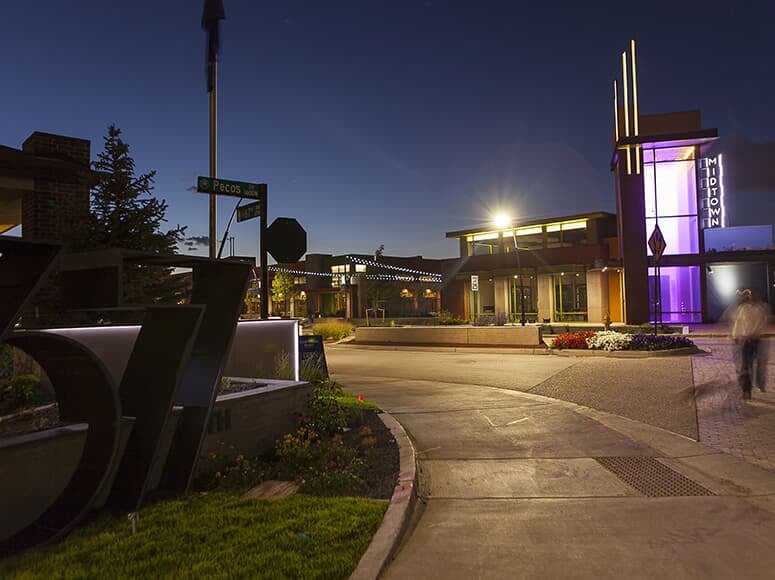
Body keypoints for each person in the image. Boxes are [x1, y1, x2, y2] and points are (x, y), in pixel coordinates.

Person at [725, 288, 771, 400]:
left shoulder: (760, 308)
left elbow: (760, 323)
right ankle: (747, 390)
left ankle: (760, 383)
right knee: (746, 365)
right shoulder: (743, 308)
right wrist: (736, 335)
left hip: (756, 339)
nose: (749, 297)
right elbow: (739, 322)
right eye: (748, 296)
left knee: (760, 364)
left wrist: (751, 334)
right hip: (746, 341)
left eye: (750, 295)